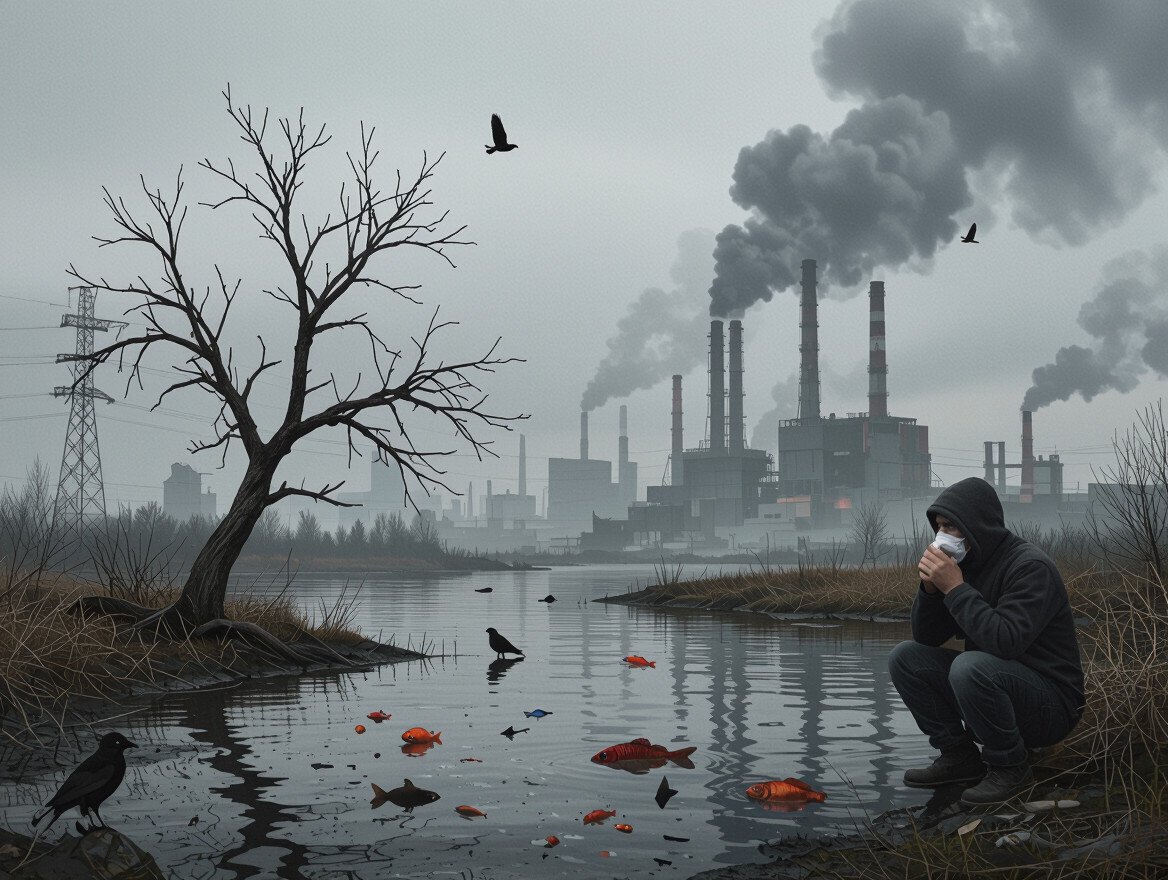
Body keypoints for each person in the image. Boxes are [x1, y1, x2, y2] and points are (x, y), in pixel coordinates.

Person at [888, 477, 1085, 806]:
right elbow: (926, 637)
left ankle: (1010, 768)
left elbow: (1005, 642)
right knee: (906, 658)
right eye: (939, 527)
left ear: (975, 524)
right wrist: (931, 591)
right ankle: (959, 757)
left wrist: (956, 589)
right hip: (995, 691)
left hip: (1051, 707)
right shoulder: (965, 565)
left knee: (969, 666)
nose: (942, 536)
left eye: (951, 526)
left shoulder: (1030, 567)